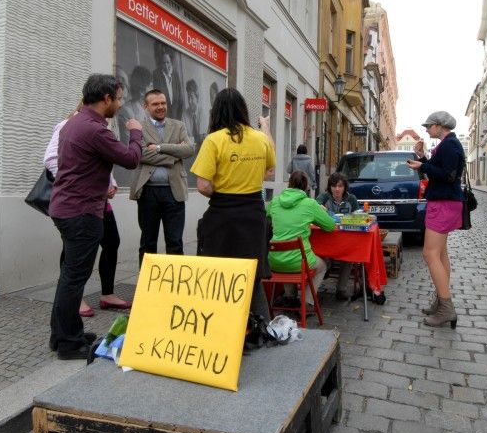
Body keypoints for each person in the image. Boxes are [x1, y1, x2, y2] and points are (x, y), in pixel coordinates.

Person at [48, 74, 143, 360]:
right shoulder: (94, 129)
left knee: (69, 277)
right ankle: (68, 343)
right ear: (107, 99)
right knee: (74, 280)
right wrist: (136, 132)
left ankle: (62, 334)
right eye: (119, 98)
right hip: (82, 212)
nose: (120, 103)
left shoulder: (73, 123)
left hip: (66, 208)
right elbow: (130, 158)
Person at [191, 88, 276, 316]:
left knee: (218, 274)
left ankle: (220, 323)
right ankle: (261, 326)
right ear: (243, 110)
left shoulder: (214, 140)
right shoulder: (259, 139)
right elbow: (269, 171)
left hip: (222, 215)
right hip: (253, 214)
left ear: (216, 112)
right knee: (252, 275)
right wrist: (265, 126)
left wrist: (223, 194)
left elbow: (202, 185)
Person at [44, 103, 132, 319]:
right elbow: (52, 160)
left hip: (98, 201)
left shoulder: (99, 128)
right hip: (78, 203)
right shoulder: (68, 125)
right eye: (116, 99)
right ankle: (75, 299)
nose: (119, 105)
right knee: (74, 254)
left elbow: (101, 162)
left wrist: (110, 183)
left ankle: (107, 293)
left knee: (111, 241)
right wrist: (78, 185)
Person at [406, 111, 464, 329]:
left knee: (429, 254)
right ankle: (441, 300)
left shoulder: (450, 145)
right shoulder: (448, 144)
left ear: (440, 126)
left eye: (429, 126)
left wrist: (422, 166)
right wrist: (422, 159)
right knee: (440, 254)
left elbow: (447, 175)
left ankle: (446, 308)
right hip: (446, 202)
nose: (427, 129)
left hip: (443, 203)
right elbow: (440, 171)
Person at [129, 89, 194, 266]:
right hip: (148, 192)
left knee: (175, 242)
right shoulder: (139, 128)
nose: (160, 107)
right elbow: (142, 155)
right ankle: (147, 286)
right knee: (148, 242)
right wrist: (175, 154)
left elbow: (189, 149)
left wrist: (158, 147)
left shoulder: (178, 125)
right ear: (146, 106)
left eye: (163, 103)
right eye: (155, 104)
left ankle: (174, 286)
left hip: (174, 192)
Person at [266, 171, 334, 309]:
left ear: (289, 184)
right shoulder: (309, 204)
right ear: (305, 187)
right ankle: (307, 301)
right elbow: (330, 226)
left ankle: (290, 297)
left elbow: (267, 218)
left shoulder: (275, 201)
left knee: (287, 258)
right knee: (323, 266)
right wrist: (323, 212)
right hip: (299, 262)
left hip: (274, 260)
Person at [316, 172, 360, 300]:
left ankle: (341, 289)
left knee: (349, 257)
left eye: (340, 186)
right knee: (321, 255)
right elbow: (315, 207)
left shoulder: (351, 199)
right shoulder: (324, 197)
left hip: (345, 241)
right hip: (326, 240)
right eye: (334, 186)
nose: (337, 189)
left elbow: (358, 216)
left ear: (345, 187)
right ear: (329, 187)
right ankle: (327, 267)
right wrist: (319, 207)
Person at [152, 49, 183, 121]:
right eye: (164, 63)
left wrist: (178, 120)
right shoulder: (156, 75)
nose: (166, 65)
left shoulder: (175, 75)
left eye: (168, 62)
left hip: (175, 119)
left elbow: (180, 101)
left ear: (171, 62)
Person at [183, 79, 202, 143]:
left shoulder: (203, 114)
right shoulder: (184, 116)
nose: (189, 101)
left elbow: (203, 137)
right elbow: (183, 138)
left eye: (191, 97)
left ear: (197, 97)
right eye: (188, 97)